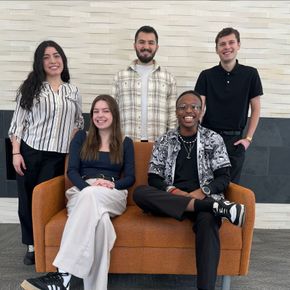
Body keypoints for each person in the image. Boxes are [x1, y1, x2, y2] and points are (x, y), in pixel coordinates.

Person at [21, 94, 135, 290]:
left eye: (105, 111)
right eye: (96, 111)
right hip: (82, 190)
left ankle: (63, 275)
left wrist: (112, 186)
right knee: (102, 227)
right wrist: (88, 188)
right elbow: (71, 171)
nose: (100, 115)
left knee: (94, 198)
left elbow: (130, 178)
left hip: (113, 193)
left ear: (114, 114)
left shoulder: (125, 142)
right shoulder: (81, 137)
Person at [133, 90, 245, 290]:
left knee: (208, 220)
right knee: (139, 192)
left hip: (204, 198)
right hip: (172, 200)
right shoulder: (165, 140)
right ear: (176, 112)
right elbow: (154, 178)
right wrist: (176, 193)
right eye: (183, 107)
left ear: (201, 112)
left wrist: (203, 191)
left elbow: (224, 177)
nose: (189, 111)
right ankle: (214, 207)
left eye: (194, 107)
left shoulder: (213, 139)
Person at [8, 40, 84, 265]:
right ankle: (32, 245)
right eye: (46, 57)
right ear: (40, 62)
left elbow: (78, 121)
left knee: (49, 202)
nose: (53, 61)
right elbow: (17, 124)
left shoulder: (73, 91)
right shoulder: (31, 88)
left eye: (56, 55)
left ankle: (48, 241)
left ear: (63, 60)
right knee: (28, 201)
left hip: (58, 156)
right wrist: (15, 153)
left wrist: (71, 148)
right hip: (30, 152)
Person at [194, 27, 263, 183]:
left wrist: (248, 139)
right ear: (217, 49)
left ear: (238, 45)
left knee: (231, 189)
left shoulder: (251, 74)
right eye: (222, 44)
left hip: (235, 141)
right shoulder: (206, 75)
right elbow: (199, 106)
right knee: (207, 186)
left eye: (231, 42)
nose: (227, 47)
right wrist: (197, 137)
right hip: (208, 139)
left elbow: (256, 107)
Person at [112, 25, 177, 141]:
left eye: (151, 43)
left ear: (157, 47)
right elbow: (112, 113)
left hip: (158, 145)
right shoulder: (120, 77)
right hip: (126, 143)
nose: (146, 47)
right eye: (141, 42)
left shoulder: (168, 78)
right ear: (134, 45)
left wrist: (169, 143)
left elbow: (172, 117)